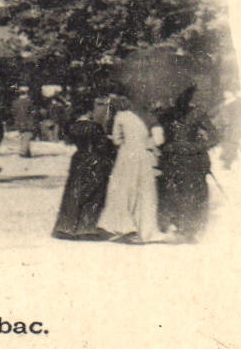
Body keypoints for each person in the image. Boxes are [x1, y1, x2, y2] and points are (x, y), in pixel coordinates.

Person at [97, 94, 163, 242]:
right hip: (143, 157)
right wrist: (146, 144)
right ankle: (144, 229)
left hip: (126, 156)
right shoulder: (150, 118)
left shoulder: (121, 116)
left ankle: (122, 227)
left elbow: (116, 140)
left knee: (122, 189)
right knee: (144, 191)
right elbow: (158, 140)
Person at [52, 97, 119, 240]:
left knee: (73, 193)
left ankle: (65, 227)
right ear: (89, 112)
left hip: (78, 160)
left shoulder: (72, 127)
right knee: (94, 194)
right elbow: (102, 145)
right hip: (94, 161)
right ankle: (86, 228)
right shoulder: (95, 127)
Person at [157, 86, 217, 241]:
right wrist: (197, 146)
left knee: (180, 192)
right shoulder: (193, 113)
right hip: (183, 159)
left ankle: (183, 228)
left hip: (176, 158)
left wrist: (194, 147)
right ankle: (185, 229)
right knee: (185, 193)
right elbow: (214, 137)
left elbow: (214, 136)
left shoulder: (169, 113)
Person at [9, 86, 36, 158]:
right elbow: (33, 113)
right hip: (28, 122)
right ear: (27, 92)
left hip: (18, 121)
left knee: (23, 136)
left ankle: (27, 152)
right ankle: (23, 151)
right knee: (27, 135)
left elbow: (13, 113)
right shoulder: (29, 101)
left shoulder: (15, 102)